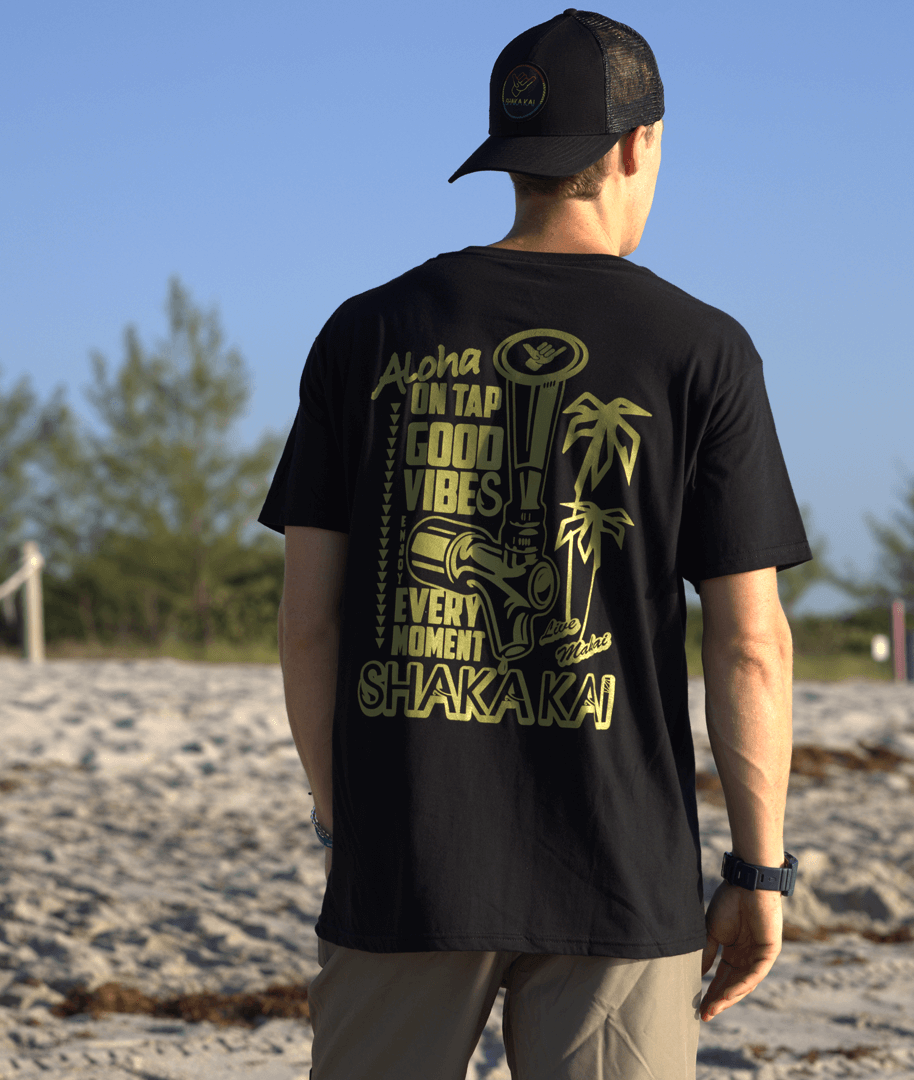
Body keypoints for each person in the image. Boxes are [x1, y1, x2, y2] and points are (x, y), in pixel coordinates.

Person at [259, 9, 810, 1078]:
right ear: (638, 145)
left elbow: (308, 624)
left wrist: (346, 823)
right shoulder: (702, 350)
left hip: (405, 868)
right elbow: (751, 646)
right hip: (620, 878)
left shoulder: (365, 332)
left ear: (510, 158)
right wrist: (759, 870)